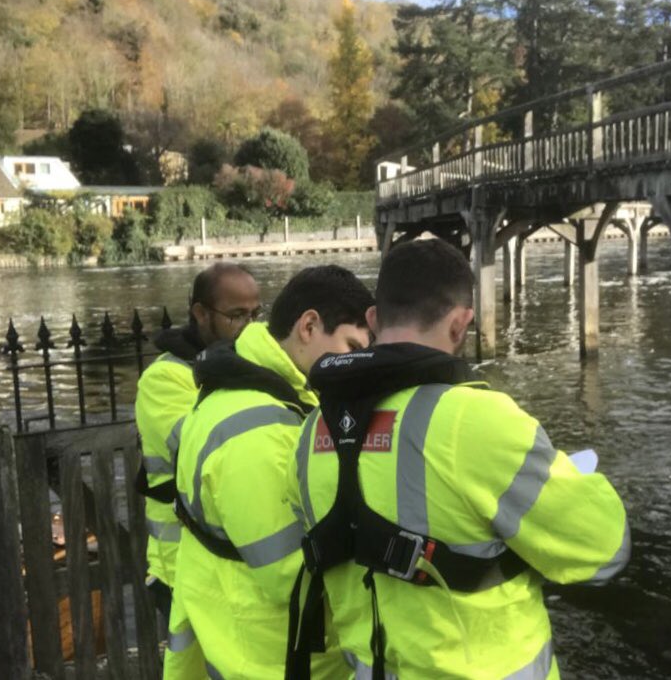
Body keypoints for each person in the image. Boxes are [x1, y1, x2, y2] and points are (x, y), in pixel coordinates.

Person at [287, 239, 630, 679]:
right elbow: (604, 549)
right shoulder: (480, 421)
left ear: (372, 319)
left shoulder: (310, 433)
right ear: (461, 324)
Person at [164, 265, 373, 680]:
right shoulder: (258, 432)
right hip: (276, 658)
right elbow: (290, 576)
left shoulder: (258, 389)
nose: (357, 365)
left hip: (248, 645)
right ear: (308, 326)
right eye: (351, 347)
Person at [136, 262, 260, 624]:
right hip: (182, 569)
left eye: (256, 314)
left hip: (231, 565)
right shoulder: (164, 378)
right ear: (201, 313)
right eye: (236, 315)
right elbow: (211, 451)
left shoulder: (247, 363)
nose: (250, 327)